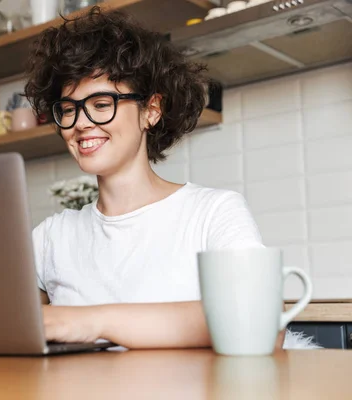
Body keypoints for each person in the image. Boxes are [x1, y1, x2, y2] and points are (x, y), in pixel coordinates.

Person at [24, 7, 284, 349]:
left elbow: (262, 324)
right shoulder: (50, 238)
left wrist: (92, 320)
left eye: (102, 103)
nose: (81, 123)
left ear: (151, 110)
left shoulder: (212, 213)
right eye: (69, 109)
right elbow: (2, 327)